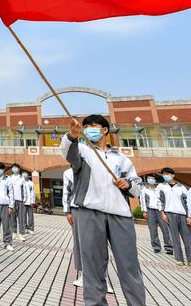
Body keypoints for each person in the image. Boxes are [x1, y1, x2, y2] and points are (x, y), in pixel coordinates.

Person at [61, 115, 145, 306]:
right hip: (89, 212)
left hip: (120, 215)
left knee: (129, 265)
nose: (89, 129)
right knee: (93, 267)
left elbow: (137, 186)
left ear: (105, 130)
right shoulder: (81, 151)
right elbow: (67, 152)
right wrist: (72, 136)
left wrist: (127, 183)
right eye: (86, 126)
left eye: (93, 126)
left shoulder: (121, 158)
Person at [158, 167, 191, 266]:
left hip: (183, 215)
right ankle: (179, 259)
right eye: (164, 174)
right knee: (174, 237)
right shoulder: (161, 187)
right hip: (169, 214)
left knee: (187, 238)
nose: (165, 176)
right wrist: (162, 213)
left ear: (173, 175)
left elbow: (187, 202)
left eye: (167, 174)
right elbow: (160, 200)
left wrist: (189, 216)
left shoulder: (181, 187)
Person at [139, 175, 173, 254]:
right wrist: (144, 211)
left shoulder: (158, 188)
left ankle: (169, 247)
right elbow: (142, 200)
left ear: (155, 180)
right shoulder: (144, 189)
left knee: (165, 229)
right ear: (147, 180)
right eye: (149, 178)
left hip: (160, 210)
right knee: (153, 230)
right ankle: (156, 247)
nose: (151, 180)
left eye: (152, 178)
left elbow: (162, 199)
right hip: (150, 211)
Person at [9, 164, 26, 242]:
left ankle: (21, 234)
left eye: (16, 167)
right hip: (12, 200)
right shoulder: (9, 178)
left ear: (19, 169)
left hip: (20, 200)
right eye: (13, 167)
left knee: (21, 217)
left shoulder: (22, 178)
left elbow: (25, 190)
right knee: (12, 217)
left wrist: (24, 199)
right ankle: (14, 233)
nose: (14, 169)